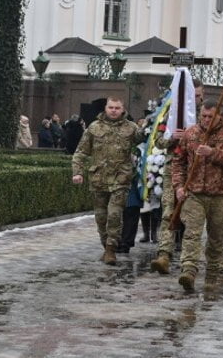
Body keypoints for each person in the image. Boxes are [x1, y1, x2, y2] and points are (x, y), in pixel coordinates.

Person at [172, 99, 223, 292]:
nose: (205, 120)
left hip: (220, 195)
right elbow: (178, 161)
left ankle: (212, 274)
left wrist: (213, 152)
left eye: (210, 117)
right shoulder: (191, 133)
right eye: (203, 116)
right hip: (194, 193)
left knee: (217, 237)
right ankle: (188, 270)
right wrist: (178, 186)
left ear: (219, 116)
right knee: (192, 233)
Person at [71, 96, 143, 265]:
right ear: (105, 108)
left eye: (117, 108)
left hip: (121, 179)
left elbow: (145, 140)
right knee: (101, 217)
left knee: (114, 214)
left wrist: (152, 126)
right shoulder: (94, 128)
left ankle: (111, 249)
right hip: (98, 179)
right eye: (111, 107)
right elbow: (81, 152)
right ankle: (105, 246)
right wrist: (77, 172)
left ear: (123, 109)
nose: (114, 111)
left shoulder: (131, 128)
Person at [150, 79, 204, 275]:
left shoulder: (206, 116)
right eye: (193, 96)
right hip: (173, 170)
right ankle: (164, 254)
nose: (197, 99)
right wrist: (173, 137)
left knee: (192, 217)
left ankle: (189, 263)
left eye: (199, 96)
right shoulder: (173, 116)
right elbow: (158, 140)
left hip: (198, 172)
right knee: (168, 213)